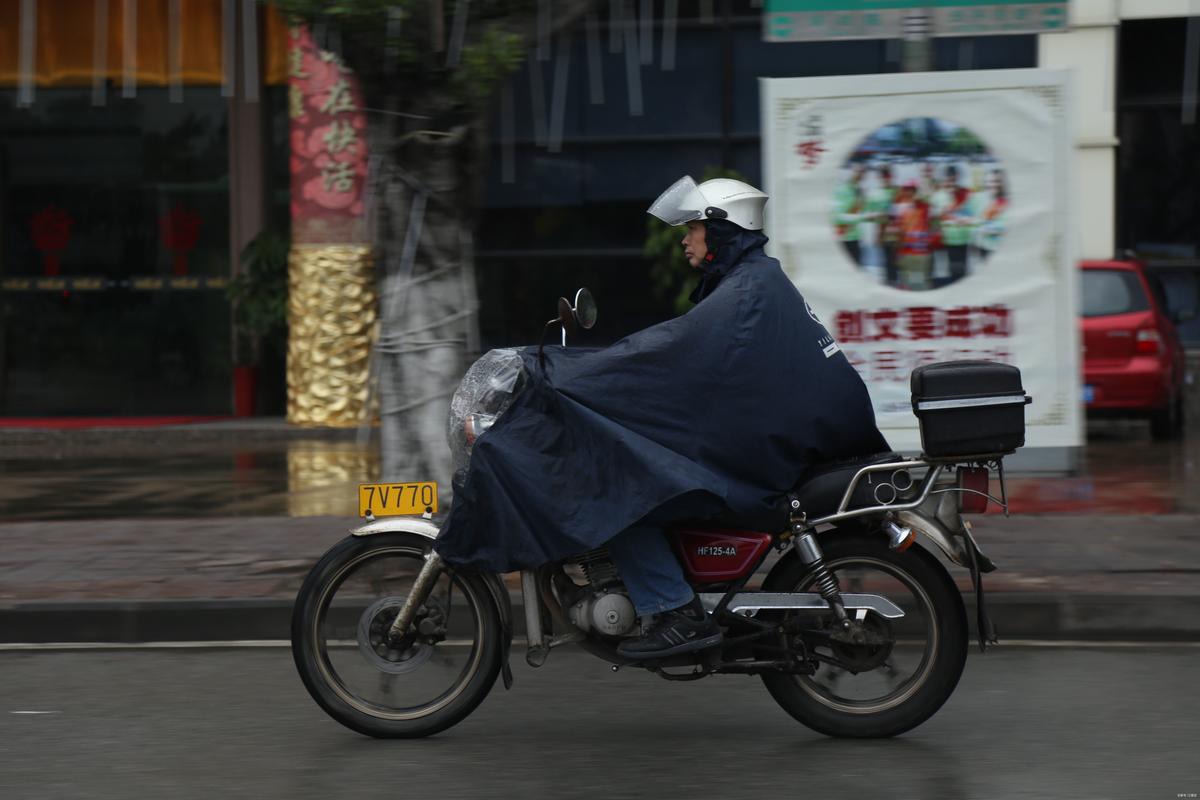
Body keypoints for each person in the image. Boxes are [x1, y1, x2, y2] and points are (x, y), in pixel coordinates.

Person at [433, 176, 889, 662]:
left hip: (768, 460)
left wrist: (566, 374)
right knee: (636, 459)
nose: (684, 238)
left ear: (722, 230)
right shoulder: (751, 283)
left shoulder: (745, 296)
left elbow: (664, 356)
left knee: (617, 485)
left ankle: (675, 612)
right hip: (774, 445)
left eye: (693, 227)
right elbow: (673, 357)